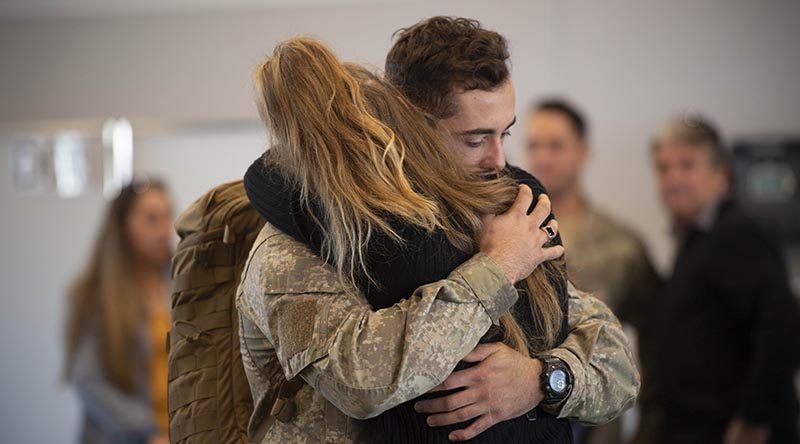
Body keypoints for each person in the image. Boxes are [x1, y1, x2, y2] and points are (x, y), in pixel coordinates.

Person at [239, 28, 634, 444]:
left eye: (506, 134)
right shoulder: (293, 244)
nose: (499, 160)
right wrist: (498, 267)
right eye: (476, 139)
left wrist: (541, 379)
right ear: (411, 127)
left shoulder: (492, 217)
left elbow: (616, 364)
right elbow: (362, 380)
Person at [638, 115, 800, 444]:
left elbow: (783, 326)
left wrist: (754, 419)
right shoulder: (698, 238)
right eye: (664, 168)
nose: (674, 179)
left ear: (721, 175)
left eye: (687, 165)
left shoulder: (736, 236)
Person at [524, 99, 660, 444]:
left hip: (598, 426)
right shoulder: (506, 239)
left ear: (583, 151)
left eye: (555, 146)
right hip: (523, 419)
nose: (542, 157)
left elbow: (655, 342)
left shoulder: (621, 245)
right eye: (533, 146)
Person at [64, 179, 173, 444]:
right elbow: (88, 379)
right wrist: (147, 433)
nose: (163, 230)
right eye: (151, 219)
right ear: (123, 226)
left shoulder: (183, 282)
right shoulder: (94, 294)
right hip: (125, 436)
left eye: (168, 216)